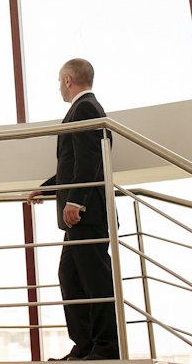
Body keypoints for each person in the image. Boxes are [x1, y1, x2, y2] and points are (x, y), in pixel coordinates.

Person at [27, 59, 119, 361]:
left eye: (58, 81)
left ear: (68, 80)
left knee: (95, 280)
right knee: (70, 275)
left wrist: (75, 201)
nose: (58, 87)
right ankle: (85, 345)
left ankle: (106, 347)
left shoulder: (85, 109)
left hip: (86, 214)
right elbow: (74, 164)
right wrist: (48, 188)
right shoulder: (83, 110)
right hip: (80, 215)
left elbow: (91, 160)